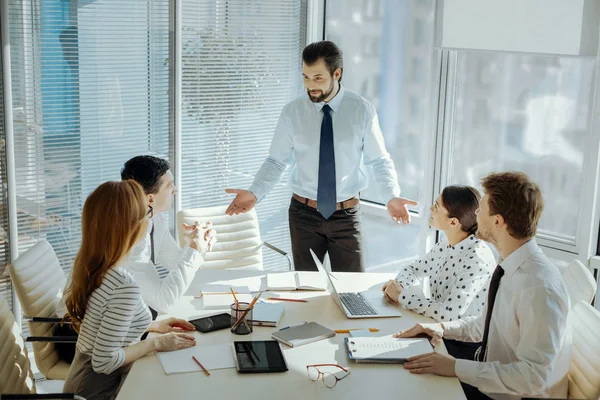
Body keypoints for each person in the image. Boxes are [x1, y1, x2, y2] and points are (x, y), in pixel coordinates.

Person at [224, 40, 417, 272]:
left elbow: (379, 160)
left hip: (346, 216)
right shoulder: (292, 112)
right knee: (306, 289)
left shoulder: (361, 110)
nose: (310, 86)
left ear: (337, 73)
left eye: (318, 78)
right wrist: (256, 192)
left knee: (351, 292)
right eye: (305, 77)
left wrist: (391, 195)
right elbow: (276, 161)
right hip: (303, 215)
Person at [396, 172, 571, 400]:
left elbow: (534, 378)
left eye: (481, 209)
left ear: (497, 221)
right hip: (489, 377)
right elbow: (485, 324)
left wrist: (456, 367)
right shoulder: (510, 264)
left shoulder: (539, 287)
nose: (476, 214)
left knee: (409, 387)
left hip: (505, 395)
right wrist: (442, 328)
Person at [55, 155, 215, 362]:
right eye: (169, 185)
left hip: (108, 325)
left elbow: (176, 263)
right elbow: (164, 300)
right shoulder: (129, 240)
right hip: (79, 339)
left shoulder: (153, 218)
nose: (175, 190)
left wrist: (194, 245)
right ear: (149, 199)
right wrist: (193, 251)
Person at [63, 180, 197, 400]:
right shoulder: (123, 285)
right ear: (134, 225)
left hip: (80, 382)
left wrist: (154, 326)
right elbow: (104, 361)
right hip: (96, 391)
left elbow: (103, 323)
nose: (150, 218)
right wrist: (155, 342)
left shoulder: (95, 265)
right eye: (147, 212)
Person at [382, 185, 495, 325]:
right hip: (437, 327)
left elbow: (448, 313)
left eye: (436, 206)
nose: (431, 209)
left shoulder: (477, 260)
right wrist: (397, 287)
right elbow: (414, 269)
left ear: (453, 222)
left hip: (461, 341)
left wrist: (401, 295)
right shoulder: (447, 242)